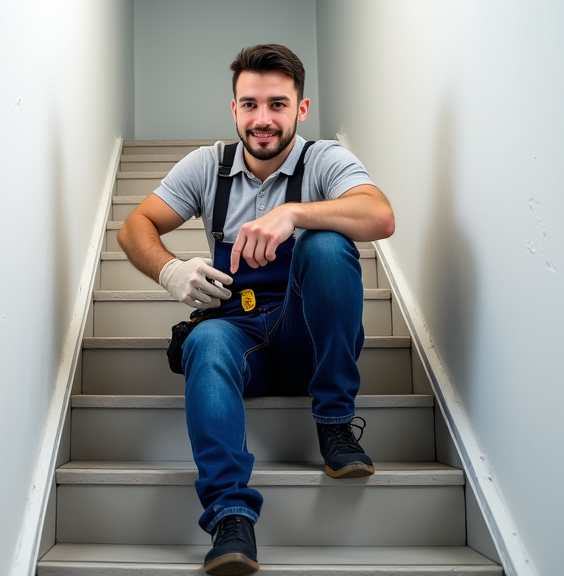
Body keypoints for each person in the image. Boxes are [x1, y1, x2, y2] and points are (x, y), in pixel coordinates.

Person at [117, 44, 396, 575]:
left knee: (325, 245)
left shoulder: (325, 161)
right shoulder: (208, 167)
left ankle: (334, 420)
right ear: (234, 109)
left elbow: (379, 217)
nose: (262, 120)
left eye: (277, 104)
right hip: (241, 335)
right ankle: (230, 518)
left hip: (307, 336)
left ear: (302, 108)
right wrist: (170, 270)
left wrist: (294, 213)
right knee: (203, 342)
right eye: (250, 105)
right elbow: (135, 227)